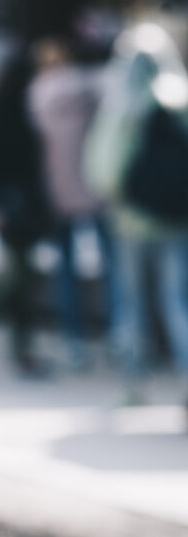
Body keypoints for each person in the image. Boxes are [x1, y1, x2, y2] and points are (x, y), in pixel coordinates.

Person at [83, 23, 188, 406]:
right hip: (179, 219)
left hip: (131, 219)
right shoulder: (181, 97)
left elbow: (103, 170)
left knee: (132, 301)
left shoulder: (124, 103)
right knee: (179, 300)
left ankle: (135, 382)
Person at [0, 45, 51, 378]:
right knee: (14, 279)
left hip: (25, 206)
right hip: (9, 206)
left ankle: (20, 349)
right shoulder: (1, 110)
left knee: (22, 281)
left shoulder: (26, 108)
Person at [28, 37, 108, 369]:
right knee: (113, 266)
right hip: (95, 187)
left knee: (66, 269)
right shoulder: (90, 90)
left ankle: (73, 339)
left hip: (57, 189)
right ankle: (118, 335)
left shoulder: (38, 94)